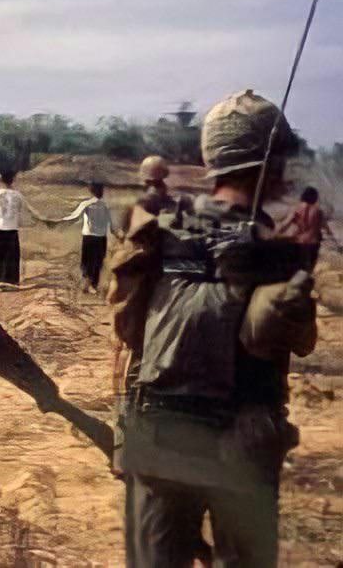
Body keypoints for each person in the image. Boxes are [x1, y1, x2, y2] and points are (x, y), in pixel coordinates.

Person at [110, 89, 317, 567]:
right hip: (243, 447)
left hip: (158, 434)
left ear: (212, 161)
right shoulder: (277, 248)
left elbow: (127, 332)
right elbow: (301, 340)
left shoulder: (159, 229)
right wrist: (298, 262)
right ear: (272, 164)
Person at [48, 181, 112, 293]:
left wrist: (58, 222)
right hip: (100, 238)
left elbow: (73, 217)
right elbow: (111, 224)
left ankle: (88, 284)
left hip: (89, 237)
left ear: (91, 191)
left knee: (88, 261)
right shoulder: (104, 205)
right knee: (97, 262)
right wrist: (119, 234)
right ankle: (91, 285)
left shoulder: (87, 204)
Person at [275, 186, 341, 269]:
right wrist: (334, 240)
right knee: (308, 268)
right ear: (315, 198)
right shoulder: (318, 211)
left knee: (296, 267)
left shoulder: (296, 209)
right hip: (313, 244)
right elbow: (326, 228)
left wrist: (276, 234)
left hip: (298, 242)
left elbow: (285, 224)